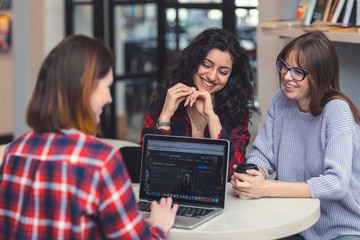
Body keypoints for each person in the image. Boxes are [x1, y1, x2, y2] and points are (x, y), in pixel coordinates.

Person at [0, 35, 178, 240]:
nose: (110, 98)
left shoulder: (15, 150)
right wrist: (159, 226)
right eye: (107, 86)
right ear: (86, 88)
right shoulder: (100, 161)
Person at [231, 31, 360, 240]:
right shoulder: (281, 100)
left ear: (320, 75)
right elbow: (262, 154)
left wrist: (266, 189)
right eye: (285, 66)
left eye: (298, 71)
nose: (287, 76)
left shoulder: (337, 110)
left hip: (340, 227)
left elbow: (336, 184)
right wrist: (254, 176)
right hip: (294, 221)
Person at [141, 28, 255, 178]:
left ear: (231, 76)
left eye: (223, 72)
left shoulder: (236, 113)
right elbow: (149, 171)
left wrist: (211, 117)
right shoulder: (163, 104)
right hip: (168, 198)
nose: (212, 76)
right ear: (194, 62)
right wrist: (165, 116)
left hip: (216, 199)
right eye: (206, 65)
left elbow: (233, 174)